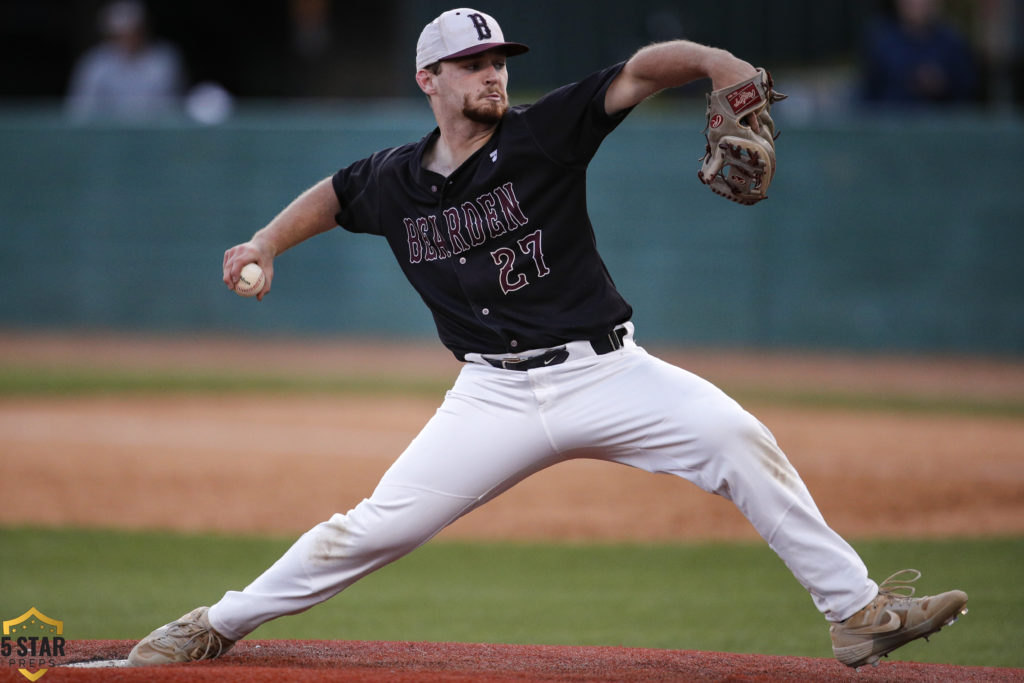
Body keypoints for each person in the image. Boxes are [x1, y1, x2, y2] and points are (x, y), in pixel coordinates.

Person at [127, 8, 968, 670]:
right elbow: (334, 195)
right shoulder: (395, 180)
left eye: (499, 61)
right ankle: (216, 623)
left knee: (739, 439)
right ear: (430, 79)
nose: (494, 73)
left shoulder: (543, 133)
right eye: (474, 63)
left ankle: (855, 615)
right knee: (371, 528)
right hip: (491, 395)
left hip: (609, 372)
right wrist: (266, 243)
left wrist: (719, 66)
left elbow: (640, 71)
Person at [66, 0, 186, 121]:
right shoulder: (94, 64)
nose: (128, 39)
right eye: (120, 34)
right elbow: (80, 111)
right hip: (107, 134)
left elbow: (173, 107)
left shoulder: (164, 59)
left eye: (133, 32)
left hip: (155, 132)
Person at [860, 0, 979, 106]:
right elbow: (868, 96)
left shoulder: (952, 43)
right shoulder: (881, 41)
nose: (917, 4)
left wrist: (942, 86)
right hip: (892, 124)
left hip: (941, 125)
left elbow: (968, 94)